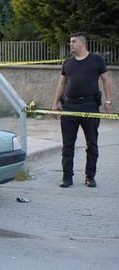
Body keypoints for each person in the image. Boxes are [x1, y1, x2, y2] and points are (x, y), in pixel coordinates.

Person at [52, 32, 113, 188]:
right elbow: (62, 84)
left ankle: (90, 177)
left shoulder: (96, 60)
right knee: (67, 144)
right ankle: (67, 177)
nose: (70, 44)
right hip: (69, 107)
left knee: (91, 143)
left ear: (82, 44)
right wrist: (55, 104)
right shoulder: (67, 62)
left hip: (89, 106)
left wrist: (108, 101)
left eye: (73, 42)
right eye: (70, 42)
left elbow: (106, 80)